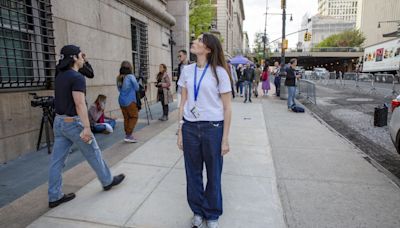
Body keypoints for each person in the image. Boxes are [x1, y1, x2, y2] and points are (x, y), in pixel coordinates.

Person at [48, 45, 125, 208]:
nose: (83, 58)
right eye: (80, 56)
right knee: (93, 153)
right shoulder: (76, 77)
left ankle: (54, 196)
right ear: (74, 58)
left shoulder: (60, 75)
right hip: (73, 124)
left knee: (57, 162)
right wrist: (87, 127)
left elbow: (88, 72)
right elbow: (79, 103)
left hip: (59, 123)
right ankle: (107, 181)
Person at [177, 33, 232, 228]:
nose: (195, 41)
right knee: (192, 173)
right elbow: (182, 102)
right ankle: (198, 211)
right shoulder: (187, 70)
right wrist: (180, 129)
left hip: (213, 128)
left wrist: (225, 139)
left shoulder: (220, 72)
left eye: (200, 40)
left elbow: (227, 108)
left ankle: (213, 213)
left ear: (208, 49)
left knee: (214, 172)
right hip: (190, 127)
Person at [117, 61, 140, 143]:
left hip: (121, 100)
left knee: (126, 118)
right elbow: (137, 88)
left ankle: (127, 134)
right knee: (134, 117)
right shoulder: (130, 76)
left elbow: (119, 89)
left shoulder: (119, 77)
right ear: (130, 67)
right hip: (130, 100)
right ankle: (129, 135)